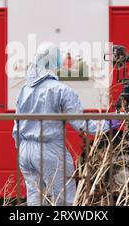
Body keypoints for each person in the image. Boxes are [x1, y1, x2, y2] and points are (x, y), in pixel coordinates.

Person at [13, 43, 117, 206]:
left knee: (36, 200)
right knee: (63, 200)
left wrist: (22, 148)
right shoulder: (60, 90)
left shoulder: (24, 90)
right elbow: (82, 125)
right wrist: (111, 123)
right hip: (49, 151)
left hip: (25, 152)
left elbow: (16, 125)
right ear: (55, 60)